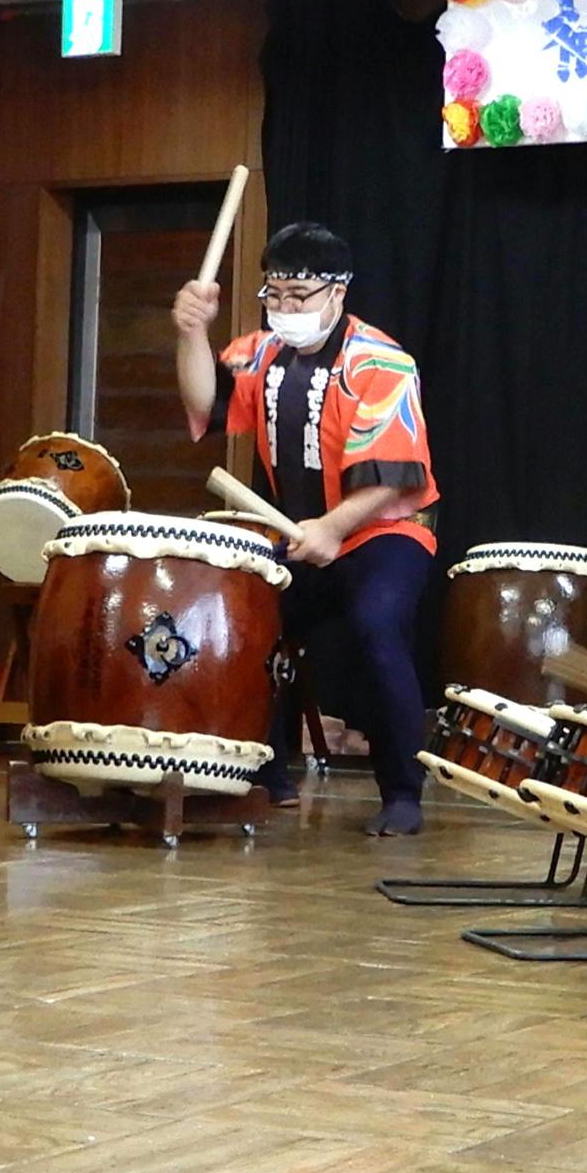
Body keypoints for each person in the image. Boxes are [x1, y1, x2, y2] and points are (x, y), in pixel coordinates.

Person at [173, 223, 438, 836]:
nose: (286, 309)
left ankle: (402, 791)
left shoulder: (381, 361)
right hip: (301, 529)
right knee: (241, 620)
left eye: (301, 296)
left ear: (338, 292)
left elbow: (393, 477)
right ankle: (265, 773)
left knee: (377, 625)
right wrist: (191, 334)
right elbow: (202, 402)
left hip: (384, 531)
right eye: (276, 295)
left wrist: (334, 528)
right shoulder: (261, 352)